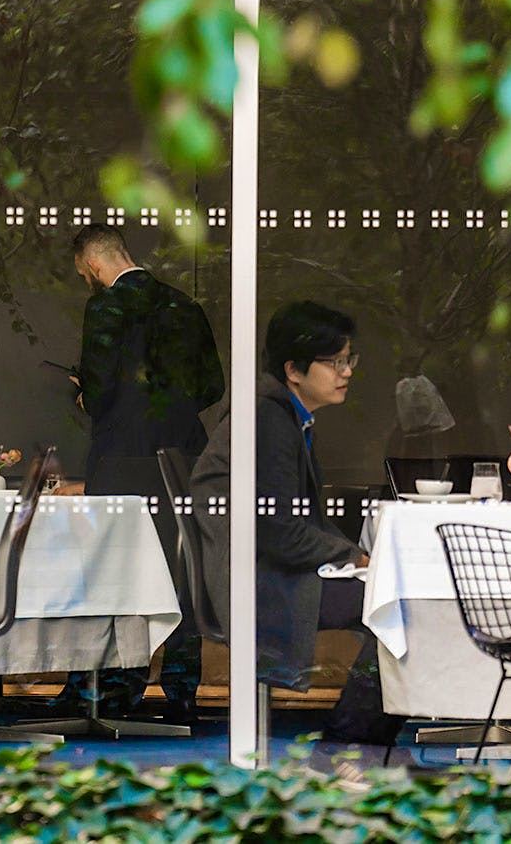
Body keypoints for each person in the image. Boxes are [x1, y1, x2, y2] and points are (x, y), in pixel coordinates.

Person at [189, 301, 407, 756]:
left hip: (269, 568)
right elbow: (279, 530)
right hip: (259, 580)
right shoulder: (268, 420)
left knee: (390, 598)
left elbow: (295, 523)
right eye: (335, 362)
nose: (347, 372)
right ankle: (348, 741)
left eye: (349, 359)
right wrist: (355, 558)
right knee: (396, 607)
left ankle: (352, 736)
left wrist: (355, 558)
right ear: (293, 369)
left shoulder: (284, 415)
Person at [60, 224, 224, 718]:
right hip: (182, 455)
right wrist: (170, 408)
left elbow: (100, 390)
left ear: (93, 266)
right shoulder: (185, 306)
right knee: (181, 567)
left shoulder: (106, 307)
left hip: (122, 457)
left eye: (83, 274)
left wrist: (85, 395)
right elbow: (212, 387)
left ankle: (111, 687)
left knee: (113, 569)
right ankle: (182, 688)